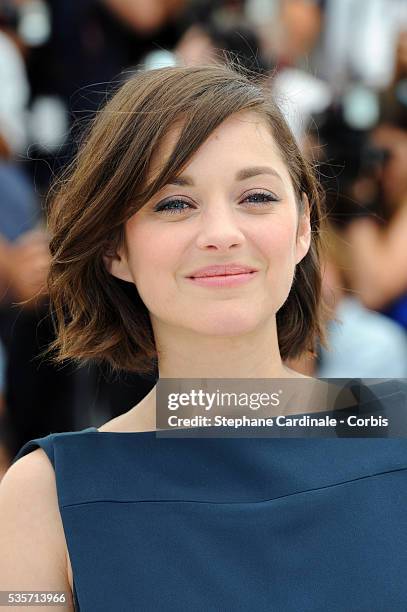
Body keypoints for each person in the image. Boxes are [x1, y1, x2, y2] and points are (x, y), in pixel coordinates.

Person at [0, 62, 406, 611]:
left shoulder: (391, 424)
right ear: (115, 248)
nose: (221, 234)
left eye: (256, 197)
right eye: (174, 204)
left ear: (304, 226)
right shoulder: (42, 496)